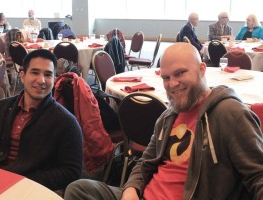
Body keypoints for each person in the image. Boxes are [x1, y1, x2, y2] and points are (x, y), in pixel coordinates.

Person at [64, 42, 263, 200]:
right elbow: (145, 162)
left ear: (202, 69)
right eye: (166, 77)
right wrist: (131, 189)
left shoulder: (230, 113)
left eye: (180, 73)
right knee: (79, 189)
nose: (172, 84)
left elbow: (258, 177)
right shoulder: (169, 115)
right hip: (145, 195)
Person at [0, 49, 83, 191]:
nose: (41, 80)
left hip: (30, 188)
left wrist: (22, 181)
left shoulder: (66, 122)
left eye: (48, 74)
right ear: (23, 76)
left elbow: (71, 171)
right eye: (35, 72)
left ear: (55, 80)